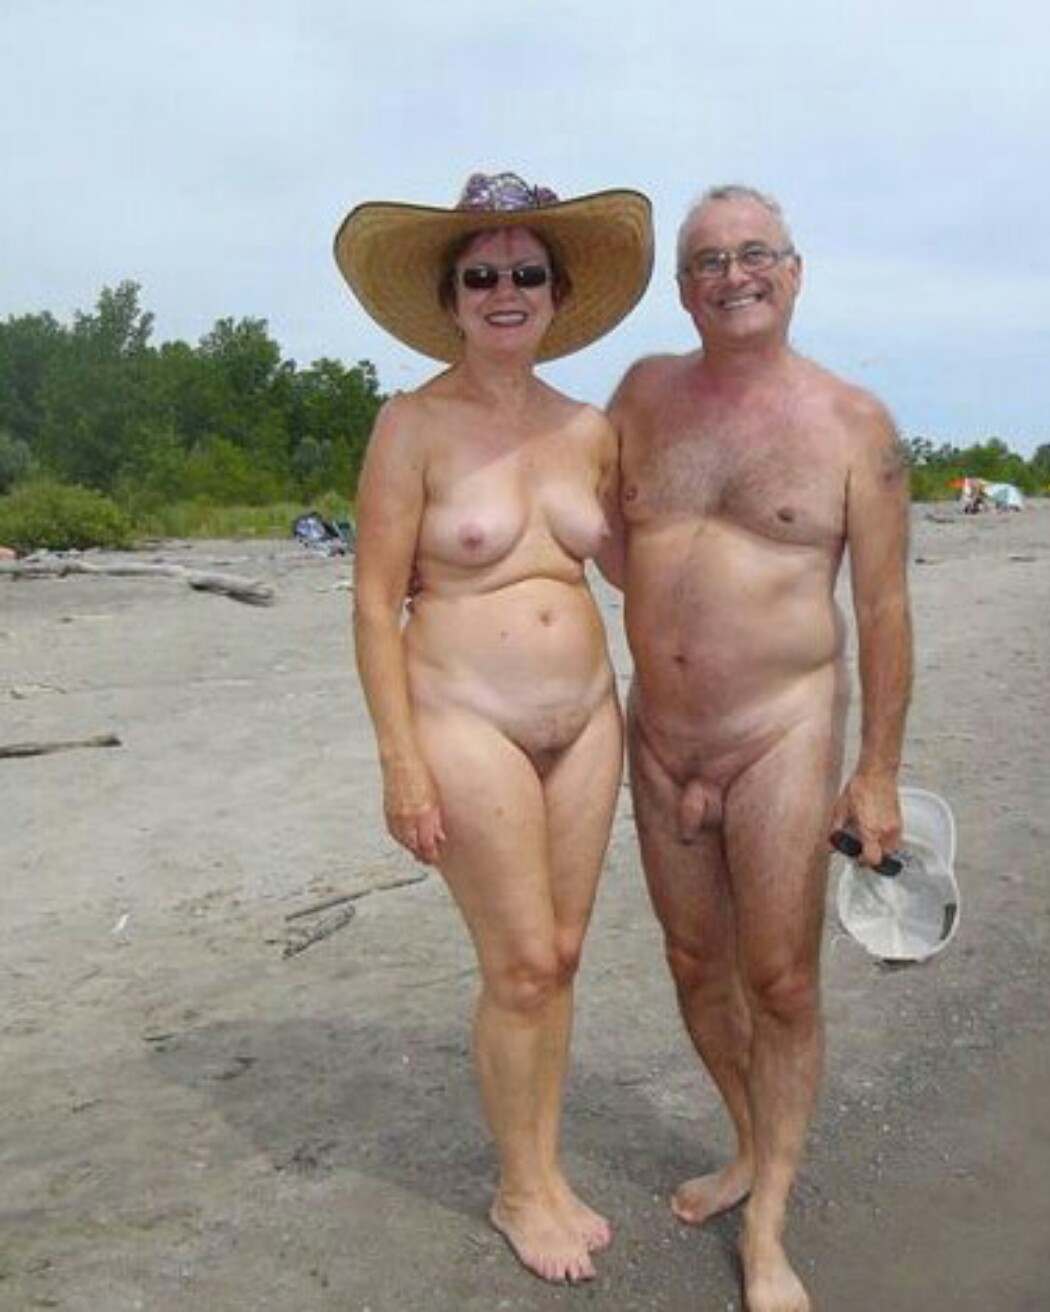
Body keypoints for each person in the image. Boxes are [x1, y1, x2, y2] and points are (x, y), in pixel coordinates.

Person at [336, 172, 653, 1284]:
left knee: (559, 956)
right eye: (481, 276)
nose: (504, 291)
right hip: (465, 718)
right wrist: (401, 764)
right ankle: (518, 1188)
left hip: (588, 722)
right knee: (518, 961)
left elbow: (634, 569)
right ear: (452, 299)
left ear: (557, 294)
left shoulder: (591, 430)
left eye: (526, 272)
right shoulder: (411, 426)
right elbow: (374, 601)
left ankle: (547, 1168)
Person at [607, 184, 912, 1312]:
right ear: (683, 291)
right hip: (660, 733)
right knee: (695, 963)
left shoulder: (855, 424)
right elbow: (590, 521)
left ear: (794, 271)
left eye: (754, 254)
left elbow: (883, 610)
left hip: (783, 728)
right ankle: (746, 1140)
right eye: (707, 261)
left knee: (780, 977)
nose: (732, 275)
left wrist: (876, 770)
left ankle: (770, 1221)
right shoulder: (642, 394)